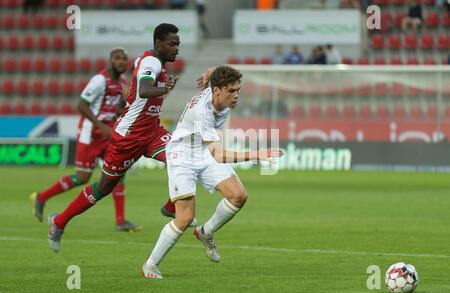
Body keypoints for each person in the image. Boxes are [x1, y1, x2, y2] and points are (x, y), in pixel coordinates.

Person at [47, 23, 185, 253]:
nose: (176, 49)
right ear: (158, 43)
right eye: (172, 44)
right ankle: (59, 222)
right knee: (103, 187)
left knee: (183, 156)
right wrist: (164, 90)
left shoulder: (154, 63)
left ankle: (171, 206)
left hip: (151, 133)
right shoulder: (151, 62)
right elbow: (144, 89)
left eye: (178, 44)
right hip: (128, 138)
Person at [141, 66, 284, 278]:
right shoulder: (203, 112)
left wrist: (209, 73)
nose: (236, 96)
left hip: (201, 149)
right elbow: (218, 155)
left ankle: (205, 232)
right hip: (182, 154)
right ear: (216, 91)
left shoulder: (218, 93)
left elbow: (216, 69)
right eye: (231, 91)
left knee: (238, 196)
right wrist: (257, 154)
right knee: (185, 218)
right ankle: (150, 265)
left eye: (238, 90)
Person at [31, 48, 142, 232]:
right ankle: (42, 197)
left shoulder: (121, 82)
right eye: (117, 58)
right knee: (83, 177)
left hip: (108, 135)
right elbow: (81, 105)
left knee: (118, 171)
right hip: (91, 134)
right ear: (110, 60)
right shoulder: (99, 80)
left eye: (124, 59)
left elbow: (112, 107)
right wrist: (100, 125)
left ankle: (120, 221)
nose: (122, 62)